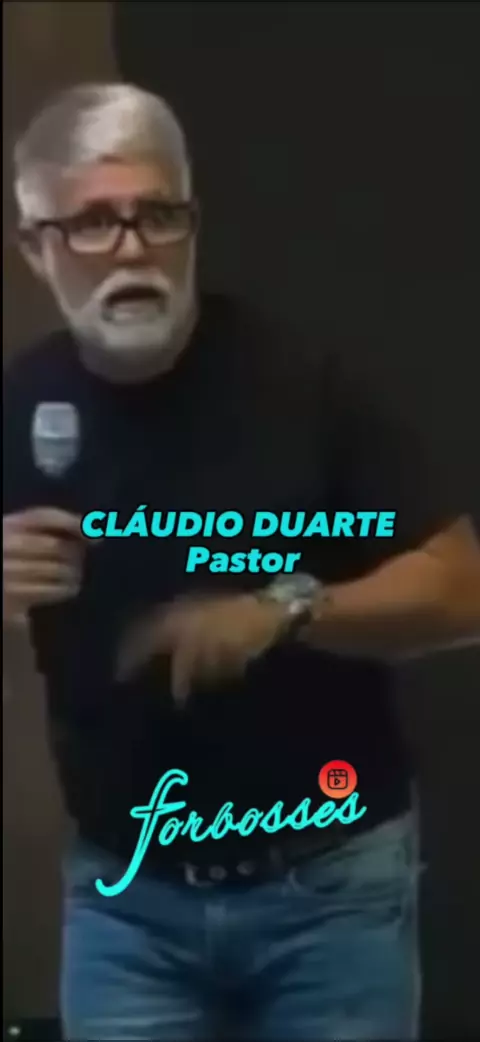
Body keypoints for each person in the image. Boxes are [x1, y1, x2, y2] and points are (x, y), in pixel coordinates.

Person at [3, 83, 480, 1042]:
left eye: (157, 214)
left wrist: (289, 607)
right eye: (92, 223)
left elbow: (462, 585)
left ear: (193, 224)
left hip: (329, 891)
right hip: (125, 901)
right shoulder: (20, 404)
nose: (131, 248)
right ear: (34, 247)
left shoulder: (304, 383)